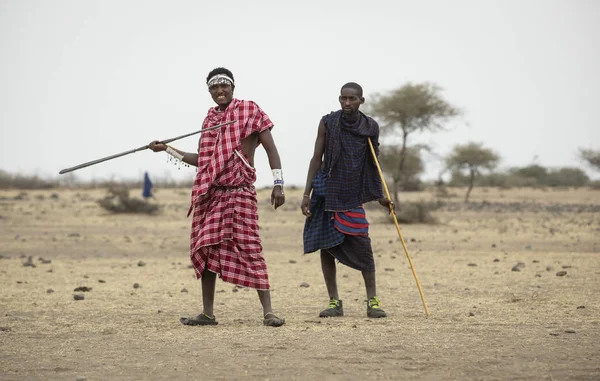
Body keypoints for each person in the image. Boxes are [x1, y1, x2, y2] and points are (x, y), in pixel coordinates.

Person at [148, 67, 286, 327]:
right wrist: (167, 149)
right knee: (206, 248)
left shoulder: (249, 111)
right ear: (209, 91)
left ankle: (268, 312)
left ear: (233, 87)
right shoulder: (210, 121)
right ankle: (208, 314)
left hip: (240, 193)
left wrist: (278, 183)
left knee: (251, 248)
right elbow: (202, 161)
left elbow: (271, 148)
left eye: (224, 86)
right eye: (214, 87)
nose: (220, 91)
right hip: (212, 196)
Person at [300, 82, 394, 319]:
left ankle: (372, 302)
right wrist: (306, 194)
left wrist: (382, 196)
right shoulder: (328, 122)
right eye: (343, 99)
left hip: (352, 194)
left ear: (362, 100)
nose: (347, 103)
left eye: (352, 99)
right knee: (327, 246)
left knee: (364, 246)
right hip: (326, 190)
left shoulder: (370, 127)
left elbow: (374, 163)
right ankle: (334, 302)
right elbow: (316, 158)